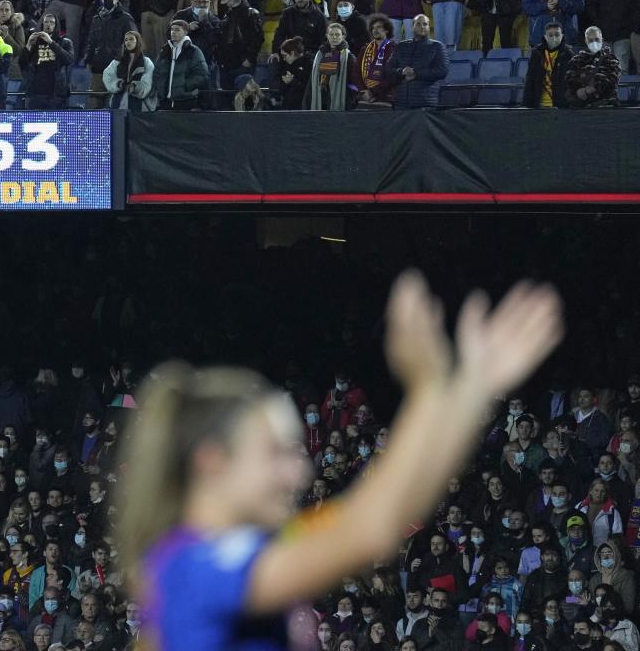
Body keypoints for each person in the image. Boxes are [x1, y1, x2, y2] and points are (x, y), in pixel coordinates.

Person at [123, 272, 561, 651]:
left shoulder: (237, 551)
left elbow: (391, 513)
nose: (299, 472)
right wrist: (431, 389)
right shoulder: (197, 568)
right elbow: (369, 528)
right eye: (274, 454)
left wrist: (470, 389)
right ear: (212, 462)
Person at [387, 14, 448, 109]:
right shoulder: (401, 46)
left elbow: (442, 71)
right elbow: (388, 69)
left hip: (426, 104)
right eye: (418, 24)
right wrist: (401, 71)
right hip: (401, 103)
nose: (422, 27)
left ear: (429, 27)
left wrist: (415, 73)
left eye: (425, 24)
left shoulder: (437, 46)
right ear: (412, 27)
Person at [523, 20, 572, 109]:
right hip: (539, 105)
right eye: (550, 35)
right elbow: (530, 79)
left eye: (557, 35)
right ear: (545, 37)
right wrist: (527, 104)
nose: (554, 38)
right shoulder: (536, 53)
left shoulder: (568, 54)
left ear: (562, 36)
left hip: (561, 106)